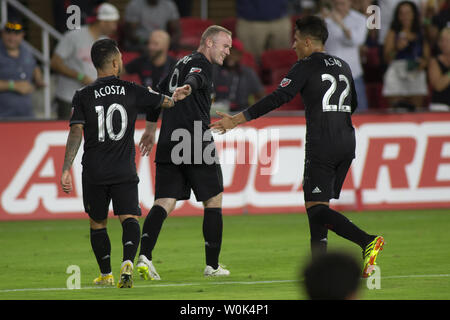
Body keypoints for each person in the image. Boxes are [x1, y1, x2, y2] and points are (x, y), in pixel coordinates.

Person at [209, 16, 384, 278]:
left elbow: (279, 96)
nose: (293, 46)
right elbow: (354, 103)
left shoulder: (306, 65)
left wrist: (236, 120)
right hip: (347, 140)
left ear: (308, 41)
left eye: (296, 40)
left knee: (316, 209)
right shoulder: (345, 66)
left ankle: (366, 240)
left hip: (322, 142)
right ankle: (321, 270)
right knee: (319, 206)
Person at [60, 39, 175, 288]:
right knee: (129, 217)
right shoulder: (131, 89)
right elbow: (164, 101)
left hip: (95, 171)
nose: (122, 61)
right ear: (114, 62)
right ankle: (127, 262)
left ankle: (105, 274)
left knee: (97, 222)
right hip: (124, 169)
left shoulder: (83, 95)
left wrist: (66, 167)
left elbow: (75, 132)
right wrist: (176, 95)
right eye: (120, 58)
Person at [136, 25, 233, 280]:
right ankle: (212, 266)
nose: (228, 52)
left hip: (169, 139)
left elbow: (155, 93)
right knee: (213, 200)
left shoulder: (180, 62)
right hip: (193, 139)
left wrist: (150, 129)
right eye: (225, 46)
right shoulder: (201, 63)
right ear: (209, 42)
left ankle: (144, 256)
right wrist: (188, 88)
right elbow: (197, 78)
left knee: (165, 202)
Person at [51, 2, 120, 120]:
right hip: (69, 97)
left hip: (95, 98)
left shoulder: (106, 41)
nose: (115, 27)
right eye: (113, 22)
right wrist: (80, 77)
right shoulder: (74, 36)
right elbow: (55, 63)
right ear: (102, 21)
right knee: (67, 134)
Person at [382, 1, 430, 111]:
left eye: (408, 13)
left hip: (415, 71)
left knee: (417, 110)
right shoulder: (393, 32)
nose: (405, 16)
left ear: (414, 14)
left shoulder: (421, 32)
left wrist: (423, 63)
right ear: (397, 16)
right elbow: (387, 58)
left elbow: (427, 57)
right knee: (396, 110)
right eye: (401, 13)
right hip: (396, 71)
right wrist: (396, 48)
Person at [323, 0, 369, 111]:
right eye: (336, 4)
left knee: (359, 112)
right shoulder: (324, 20)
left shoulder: (360, 19)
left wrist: (341, 24)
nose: (339, 7)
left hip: (353, 73)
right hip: (330, 74)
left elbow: (357, 41)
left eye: (342, 4)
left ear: (350, 3)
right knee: (330, 114)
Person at [122, 30, 176, 114]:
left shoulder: (175, 66)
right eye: (149, 43)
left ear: (166, 46)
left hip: (167, 111)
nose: (150, 47)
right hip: (144, 110)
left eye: (155, 44)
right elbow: (119, 72)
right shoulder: (142, 61)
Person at [0, 19, 44, 118]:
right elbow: (16, 85)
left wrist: (38, 79)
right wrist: (13, 85)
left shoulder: (26, 50)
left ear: (22, 35)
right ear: (2, 33)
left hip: (27, 115)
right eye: (8, 33)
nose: (12, 38)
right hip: (3, 117)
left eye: (16, 34)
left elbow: (34, 66)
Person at [212, 38, 265, 112]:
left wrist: (254, 112)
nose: (231, 56)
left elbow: (261, 96)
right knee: (197, 121)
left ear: (240, 56)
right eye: (228, 53)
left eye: (235, 53)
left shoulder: (248, 73)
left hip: (242, 114)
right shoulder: (213, 70)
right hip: (218, 113)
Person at [428, 27, 450, 111]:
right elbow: (438, 86)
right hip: (440, 106)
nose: (444, 44)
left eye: (447, 40)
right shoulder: (434, 61)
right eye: (442, 40)